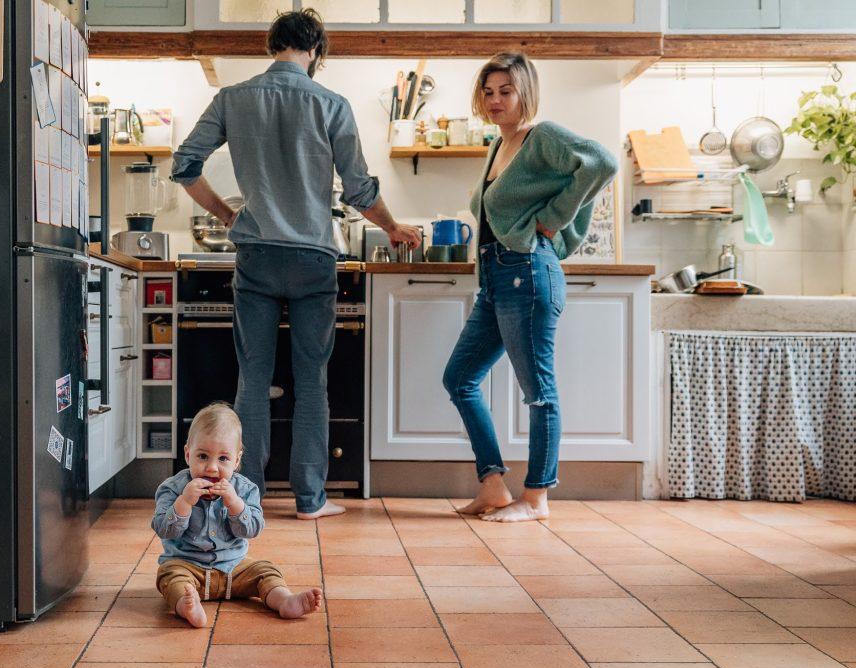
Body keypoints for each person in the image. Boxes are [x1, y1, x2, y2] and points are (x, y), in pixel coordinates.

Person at [171, 9, 421, 520]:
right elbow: (359, 190)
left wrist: (228, 214)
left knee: (252, 379)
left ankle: (247, 500)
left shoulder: (232, 98)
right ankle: (311, 499)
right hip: (313, 259)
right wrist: (393, 226)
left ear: (272, 46)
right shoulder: (331, 104)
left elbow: (184, 165)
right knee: (312, 381)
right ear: (316, 52)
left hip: (257, 255)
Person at [443, 53, 617, 523]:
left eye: (506, 91)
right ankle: (494, 486)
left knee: (538, 391)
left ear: (526, 94)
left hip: (529, 273)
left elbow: (601, 162)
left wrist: (554, 218)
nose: (495, 99)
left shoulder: (542, 137)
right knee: (459, 379)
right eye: (488, 91)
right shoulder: (497, 146)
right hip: (497, 278)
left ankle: (537, 497)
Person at [152, 403, 323, 628]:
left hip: (234, 567)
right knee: (168, 576)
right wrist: (184, 502)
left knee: (266, 570)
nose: (212, 468)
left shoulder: (245, 489)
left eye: (223, 458)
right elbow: (163, 529)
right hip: (187, 566)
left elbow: (253, 529)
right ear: (187, 454)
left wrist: (234, 503)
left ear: (237, 460)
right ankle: (187, 606)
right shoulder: (172, 489)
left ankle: (284, 600)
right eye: (202, 456)